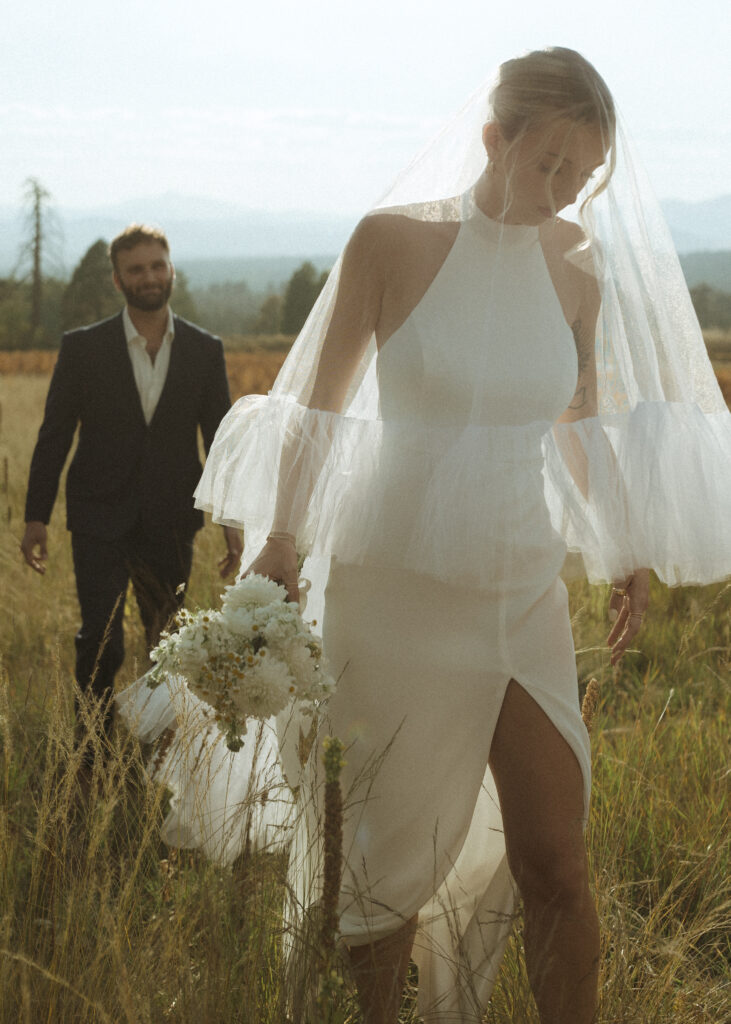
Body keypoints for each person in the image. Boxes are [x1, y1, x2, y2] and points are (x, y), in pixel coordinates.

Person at [122, 48, 731, 1024]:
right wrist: (278, 547)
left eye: (584, 176)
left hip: (521, 591)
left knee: (557, 865)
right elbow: (318, 410)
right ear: (493, 139)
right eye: (549, 166)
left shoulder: (575, 265)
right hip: (395, 597)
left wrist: (622, 546)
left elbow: (572, 423)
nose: (564, 192)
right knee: (383, 883)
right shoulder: (389, 244)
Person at [21, 224, 242, 764]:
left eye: (158, 266)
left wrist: (233, 526)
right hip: (98, 516)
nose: (150, 277)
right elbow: (54, 436)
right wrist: (35, 519)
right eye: (137, 269)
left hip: (170, 521)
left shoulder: (204, 350)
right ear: (119, 281)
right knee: (100, 640)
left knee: (168, 640)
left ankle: (159, 758)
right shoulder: (83, 347)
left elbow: (219, 442)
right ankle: (90, 755)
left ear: (172, 271)